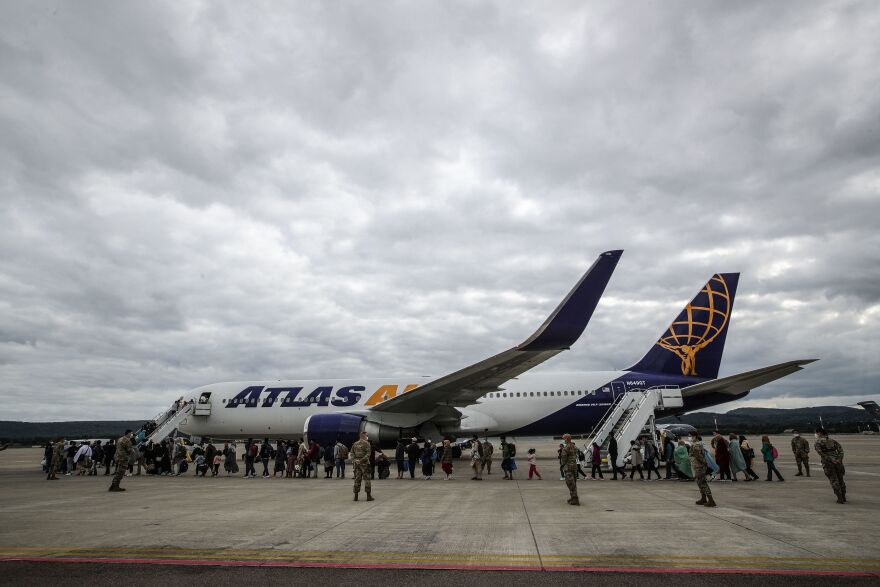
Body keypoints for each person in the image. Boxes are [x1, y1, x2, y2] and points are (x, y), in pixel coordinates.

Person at [814, 427, 846, 504]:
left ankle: (840, 498)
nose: (816, 434)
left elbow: (820, 453)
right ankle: (844, 497)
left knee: (834, 480)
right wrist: (839, 459)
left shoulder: (818, 442)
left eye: (817, 433)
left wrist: (831, 460)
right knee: (841, 480)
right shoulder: (833, 441)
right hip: (838, 463)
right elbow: (841, 450)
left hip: (828, 463)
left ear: (820, 433)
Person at [689, 432, 715, 507]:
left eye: (690, 436)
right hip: (697, 466)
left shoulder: (696, 445)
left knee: (703, 483)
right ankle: (703, 498)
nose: (689, 437)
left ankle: (711, 500)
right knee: (699, 482)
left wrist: (705, 463)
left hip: (699, 467)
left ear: (695, 436)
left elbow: (699, 457)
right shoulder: (695, 444)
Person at [350, 431, 373, 501]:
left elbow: (351, 453)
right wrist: (361, 460)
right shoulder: (367, 443)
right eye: (366, 435)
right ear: (364, 436)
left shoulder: (355, 444)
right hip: (365, 464)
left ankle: (356, 496)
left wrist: (355, 460)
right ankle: (368, 496)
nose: (367, 437)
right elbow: (368, 454)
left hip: (357, 465)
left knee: (357, 479)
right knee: (367, 479)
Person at [561, 433, 579, 505]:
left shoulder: (566, 448)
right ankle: (573, 497)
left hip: (568, 467)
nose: (563, 441)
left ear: (566, 439)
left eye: (564, 439)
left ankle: (575, 499)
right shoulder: (574, 446)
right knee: (573, 483)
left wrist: (563, 465)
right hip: (574, 467)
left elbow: (564, 458)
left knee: (570, 483)